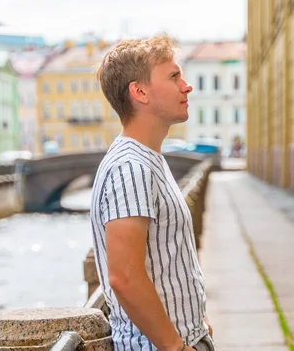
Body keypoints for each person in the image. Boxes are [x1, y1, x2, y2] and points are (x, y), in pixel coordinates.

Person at [90, 34, 214, 351]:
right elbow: (125, 276)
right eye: (174, 76)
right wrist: (176, 346)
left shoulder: (147, 159)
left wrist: (196, 323)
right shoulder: (130, 167)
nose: (186, 86)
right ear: (140, 92)